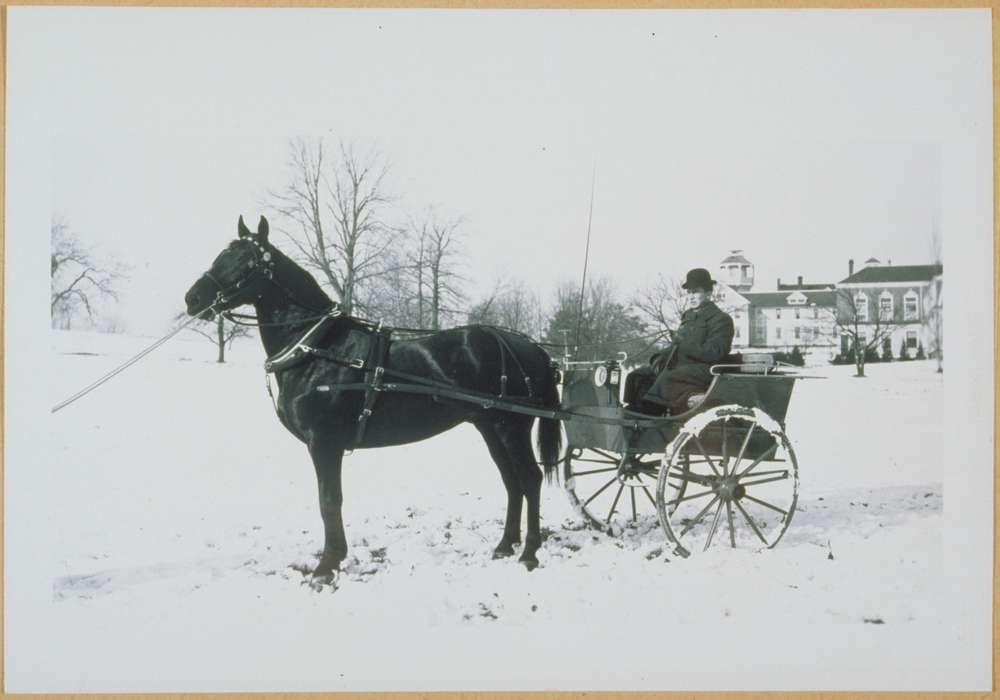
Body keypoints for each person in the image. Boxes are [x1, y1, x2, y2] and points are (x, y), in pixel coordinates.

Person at [636, 267, 735, 415]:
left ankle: (651, 417)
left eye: (696, 291)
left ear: (708, 292)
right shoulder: (688, 316)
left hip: (706, 370)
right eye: (688, 292)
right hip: (684, 368)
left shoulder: (721, 319)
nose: (691, 296)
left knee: (669, 376)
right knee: (638, 376)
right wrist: (659, 357)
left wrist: (684, 344)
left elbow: (715, 353)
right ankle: (634, 414)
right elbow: (676, 346)